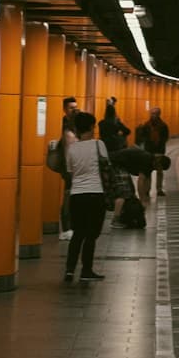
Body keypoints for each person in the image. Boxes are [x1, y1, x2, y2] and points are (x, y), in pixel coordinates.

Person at [61, 111, 108, 283]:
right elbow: (106, 166)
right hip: (95, 194)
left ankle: (69, 271)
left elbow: (70, 171)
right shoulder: (98, 145)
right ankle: (86, 270)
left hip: (77, 196)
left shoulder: (72, 148)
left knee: (78, 234)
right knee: (91, 235)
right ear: (91, 127)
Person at [56, 96, 79, 240]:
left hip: (76, 166)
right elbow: (67, 149)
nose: (74, 110)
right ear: (65, 109)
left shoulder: (75, 123)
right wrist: (69, 169)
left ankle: (71, 226)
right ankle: (66, 228)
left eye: (75, 107)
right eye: (71, 108)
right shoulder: (64, 125)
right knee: (68, 195)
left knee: (72, 196)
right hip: (69, 167)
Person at [137, 106, 170, 201]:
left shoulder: (163, 125)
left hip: (159, 151)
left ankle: (159, 189)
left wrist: (160, 146)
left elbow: (165, 137)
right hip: (148, 151)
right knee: (148, 171)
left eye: (155, 113)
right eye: (151, 113)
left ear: (159, 114)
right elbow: (142, 136)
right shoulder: (146, 125)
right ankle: (147, 190)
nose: (153, 115)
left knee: (159, 170)